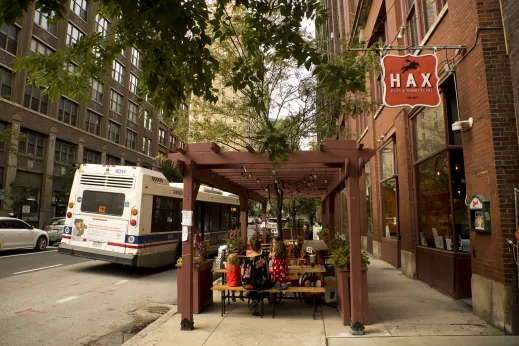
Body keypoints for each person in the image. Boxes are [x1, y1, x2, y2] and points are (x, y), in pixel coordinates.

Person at [242, 233, 271, 315]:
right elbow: (267, 274)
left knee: (253, 283)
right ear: (260, 247)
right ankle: (256, 300)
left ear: (251, 247)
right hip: (260, 284)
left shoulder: (246, 259)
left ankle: (254, 299)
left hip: (247, 284)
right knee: (266, 284)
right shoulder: (263, 259)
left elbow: (242, 273)